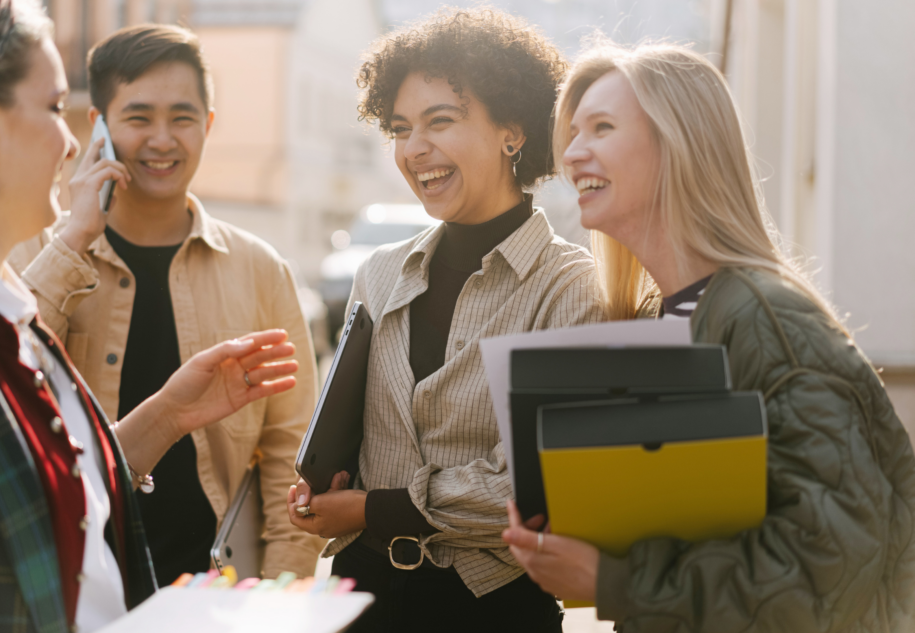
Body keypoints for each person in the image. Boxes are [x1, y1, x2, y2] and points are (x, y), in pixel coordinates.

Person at [0, 2, 299, 631]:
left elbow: (59, 485)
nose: (72, 144)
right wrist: (74, 238)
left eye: (182, 118)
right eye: (56, 108)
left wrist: (169, 414)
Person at [503, 37, 915, 632]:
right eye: (572, 134)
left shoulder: (770, 322)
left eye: (600, 128)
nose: (572, 153)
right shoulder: (662, 323)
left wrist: (614, 582)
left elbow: (831, 563)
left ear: (677, 145)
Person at [285, 9, 604, 632]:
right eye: (401, 128)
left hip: (493, 610)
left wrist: (369, 509)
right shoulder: (377, 273)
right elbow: (353, 429)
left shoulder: (571, 286)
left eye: (441, 121)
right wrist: (324, 484)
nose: (414, 149)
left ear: (513, 131)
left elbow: (534, 491)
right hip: (362, 598)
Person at [8, 24, 323, 585]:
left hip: (212, 590)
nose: (162, 139)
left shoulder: (259, 269)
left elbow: (292, 457)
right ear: (98, 127)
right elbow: (1, 378)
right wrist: (76, 237)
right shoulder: (37, 249)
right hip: (72, 580)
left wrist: (284, 593)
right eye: (138, 117)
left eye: (181, 117)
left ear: (208, 124)